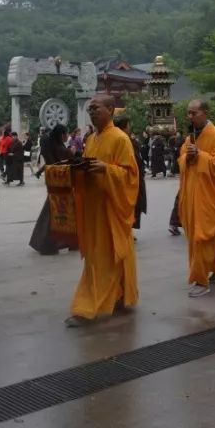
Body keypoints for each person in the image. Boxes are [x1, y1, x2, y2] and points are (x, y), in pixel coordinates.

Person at [64, 96, 140, 327]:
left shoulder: (120, 139)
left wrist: (107, 170)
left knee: (104, 259)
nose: (91, 112)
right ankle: (119, 294)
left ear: (110, 109)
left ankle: (88, 307)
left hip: (112, 208)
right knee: (107, 256)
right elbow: (89, 168)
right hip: (94, 208)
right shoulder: (91, 139)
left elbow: (130, 176)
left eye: (96, 108)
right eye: (89, 109)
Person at [178, 99, 215, 297]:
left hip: (209, 195)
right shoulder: (189, 138)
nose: (190, 117)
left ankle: (201, 281)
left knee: (202, 236)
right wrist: (188, 157)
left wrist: (200, 155)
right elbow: (181, 161)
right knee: (201, 236)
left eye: (194, 113)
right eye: (189, 113)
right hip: (192, 194)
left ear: (205, 112)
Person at [30, 124, 75, 254]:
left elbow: (50, 164)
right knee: (61, 213)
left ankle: (47, 241)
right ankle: (51, 242)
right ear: (62, 135)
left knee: (52, 212)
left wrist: (40, 171)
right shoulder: (63, 150)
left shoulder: (52, 147)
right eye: (66, 134)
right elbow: (71, 163)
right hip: (64, 186)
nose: (67, 136)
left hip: (54, 185)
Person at [114, 116, 147, 231]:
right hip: (129, 176)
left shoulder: (126, 138)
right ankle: (127, 227)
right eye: (129, 125)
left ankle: (128, 227)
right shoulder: (123, 139)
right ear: (125, 126)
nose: (130, 127)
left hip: (133, 174)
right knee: (130, 203)